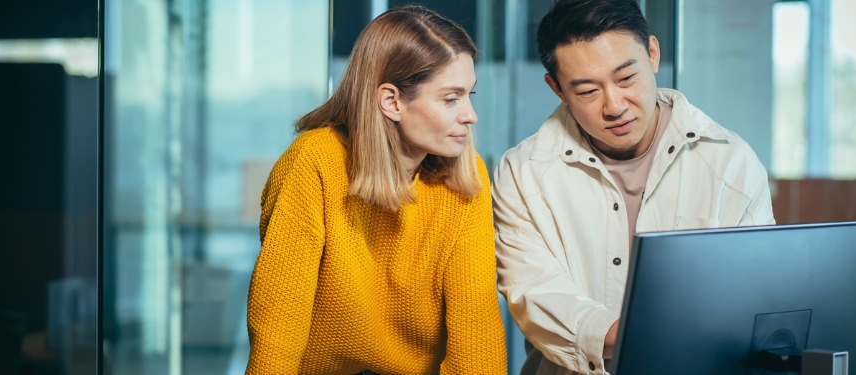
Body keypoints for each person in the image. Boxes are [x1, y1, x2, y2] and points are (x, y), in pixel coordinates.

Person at [491, 0, 776, 374]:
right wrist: (649, 334)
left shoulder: (730, 162)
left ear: (653, 54)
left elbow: (755, 295)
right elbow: (537, 295)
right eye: (588, 91)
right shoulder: (522, 172)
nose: (614, 105)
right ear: (557, 88)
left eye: (626, 79)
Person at [245, 5, 507, 375]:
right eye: (451, 99)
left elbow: (477, 333)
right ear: (392, 101)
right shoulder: (314, 161)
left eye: (469, 96)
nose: (470, 115)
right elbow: (278, 320)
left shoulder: (467, 176)